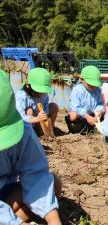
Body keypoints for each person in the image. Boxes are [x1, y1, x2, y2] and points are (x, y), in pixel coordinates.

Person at [0, 69, 62, 225]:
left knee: (54, 182)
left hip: (6, 192)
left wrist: (54, 220)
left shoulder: (21, 129)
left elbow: (36, 175)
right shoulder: (23, 98)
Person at [15, 67, 58, 136]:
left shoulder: (44, 95)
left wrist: (44, 115)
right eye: (39, 91)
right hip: (28, 122)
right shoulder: (22, 96)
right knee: (29, 110)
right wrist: (36, 119)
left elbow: (46, 108)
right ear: (28, 85)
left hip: (39, 119)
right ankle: (30, 133)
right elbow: (19, 117)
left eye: (43, 91)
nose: (42, 95)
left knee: (54, 106)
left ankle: (48, 130)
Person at [65, 65, 104, 135]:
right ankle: (74, 128)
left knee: (104, 113)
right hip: (80, 116)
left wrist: (98, 113)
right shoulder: (77, 90)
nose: (93, 86)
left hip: (92, 114)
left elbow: (100, 103)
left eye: (94, 84)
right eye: (90, 84)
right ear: (82, 79)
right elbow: (76, 107)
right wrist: (87, 117)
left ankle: (93, 128)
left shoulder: (97, 90)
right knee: (73, 116)